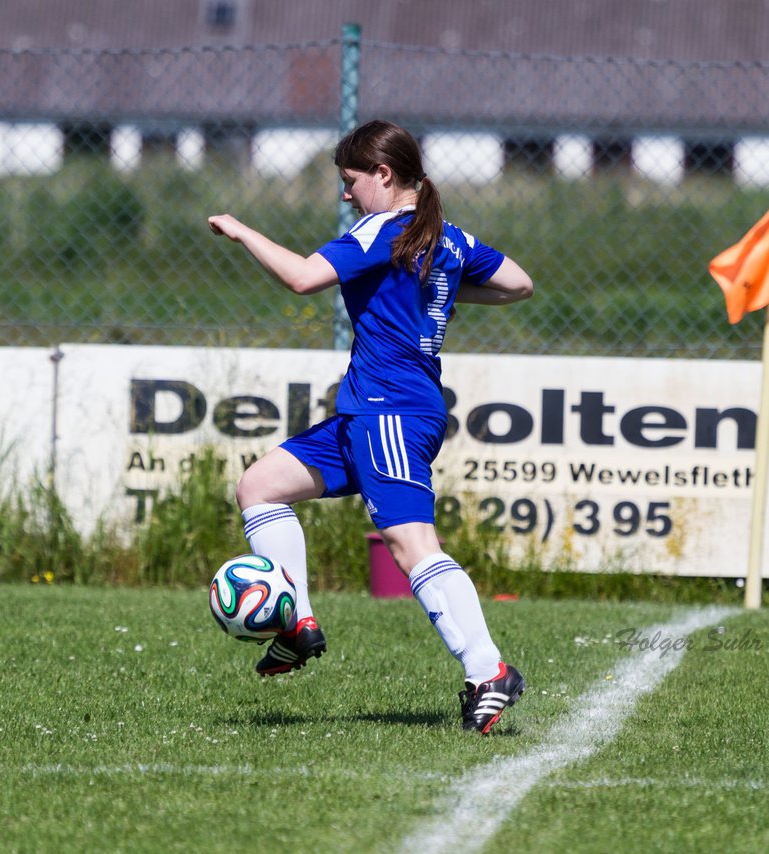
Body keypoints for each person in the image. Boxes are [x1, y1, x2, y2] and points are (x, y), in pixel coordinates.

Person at [207, 119, 534, 734]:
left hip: (390, 410)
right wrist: (443, 291)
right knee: (260, 487)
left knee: (412, 548)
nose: (345, 194)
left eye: (351, 181)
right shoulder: (448, 237)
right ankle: (298, 623)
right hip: (373, 410)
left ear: (384, 175)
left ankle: (487, 669)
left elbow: (303, 278)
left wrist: (242, 230)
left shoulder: (385, 229)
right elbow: (519, 284)